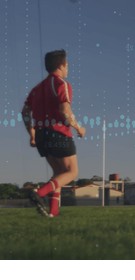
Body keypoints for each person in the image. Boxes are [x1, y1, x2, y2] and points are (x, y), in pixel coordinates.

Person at [21, 49, 86, 217]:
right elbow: (65, 110)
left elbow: (24, 112)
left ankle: (53, 213)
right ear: (61, 65)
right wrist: (78, 128)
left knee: (59, 174)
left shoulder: (36, 89)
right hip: (57, 133)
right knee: (72, 172)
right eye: (67, 65)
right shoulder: (60, 84)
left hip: (42, 136)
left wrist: (32, 133)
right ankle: (38, 193)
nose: (68, 68)